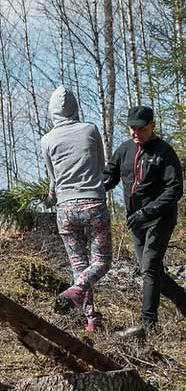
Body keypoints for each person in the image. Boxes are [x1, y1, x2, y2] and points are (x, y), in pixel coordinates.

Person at [103, 105, 186, 337]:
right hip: (135, 221)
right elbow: (109, 176)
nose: (135, 133)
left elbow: (175, 189)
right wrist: (88, 189)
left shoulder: (164, 151)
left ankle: (148, 324)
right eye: (131, 128)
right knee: (152, 271)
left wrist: (148, 212)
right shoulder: (124, 150)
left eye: (140, 128)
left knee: (149, 268)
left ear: (152, 126)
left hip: (160, 218)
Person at [41, 86, 110, 333]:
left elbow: (53, 180)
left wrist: (50, 198)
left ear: (52, 112)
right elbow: (101, 166)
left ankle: (91, 319)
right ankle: (77, 292)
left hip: (65, 209)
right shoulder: (90, 130)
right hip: (93, 204)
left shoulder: (47, 140)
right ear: (75, 108)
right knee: (101, 262)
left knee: (79, 266)